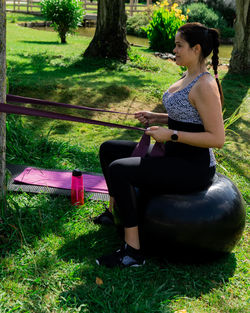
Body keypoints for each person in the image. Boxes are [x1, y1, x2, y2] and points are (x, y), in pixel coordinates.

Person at [94, 22, 225, 268]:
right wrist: (157, 118)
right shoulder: (188, 75)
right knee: (108, 149)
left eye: (179, 45)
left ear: (196, 49)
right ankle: (114, 215)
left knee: (119, 169)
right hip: (171, 152)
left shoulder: (205, 85)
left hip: (192, 166)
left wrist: (171, 134)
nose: (174, 50)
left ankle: (133, 252)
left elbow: (217, 138)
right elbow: (189, 118)